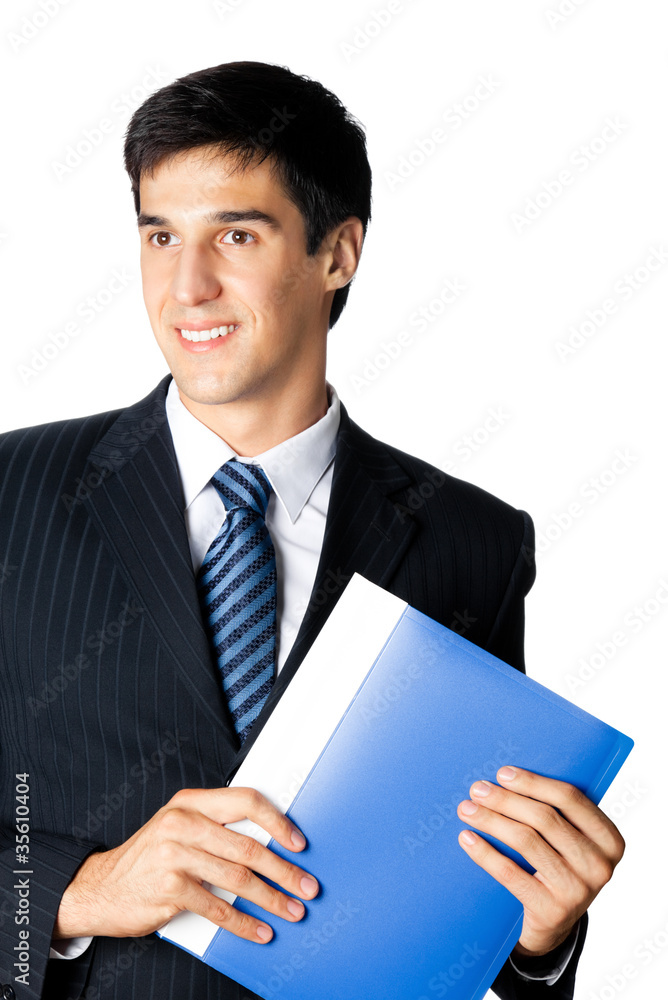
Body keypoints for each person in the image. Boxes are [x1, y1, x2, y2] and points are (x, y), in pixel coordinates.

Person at [0, 61, 624, 1000]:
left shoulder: (473, 540)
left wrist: (542, 936)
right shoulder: (13, 493)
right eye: (160, 235)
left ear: (337, 254)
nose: (188, 286)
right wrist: (77, 892)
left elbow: (464, 896)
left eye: (236, 234)